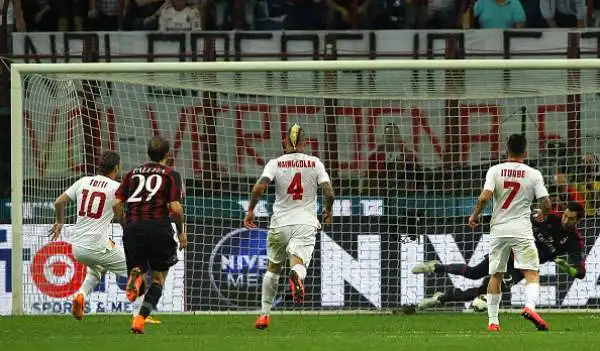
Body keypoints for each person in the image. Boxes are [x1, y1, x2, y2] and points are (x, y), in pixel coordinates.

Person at [49, 151, 158, 324]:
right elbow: (120, 207)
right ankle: (139, 316)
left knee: (97, 269)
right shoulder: (116, 187)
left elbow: (58, 202)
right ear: (117, 167)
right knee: (138, 269)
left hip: (77, 248)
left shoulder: (83, 181)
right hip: (96, 246)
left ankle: (81, 296)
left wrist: (60, 222)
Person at [243, 124, 335, 330]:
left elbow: (259, 187)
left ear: (284, 143)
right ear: (306, 143)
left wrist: (250, 210)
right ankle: (297, 276)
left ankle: (264, 316)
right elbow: (329, 192)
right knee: (298, 263)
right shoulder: (315, 163)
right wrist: (328, 210)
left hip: (279, 224)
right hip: (305, 222)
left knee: (273, 269)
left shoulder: (275, 163)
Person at [414, 201, 586, 310]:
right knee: (473, 273)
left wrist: (568, 268)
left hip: (522, 267)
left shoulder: (574, 242)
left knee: (485, 291)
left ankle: (441, 298)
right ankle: (436, 266)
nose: (565, 220)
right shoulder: (548, 218)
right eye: (565, 215)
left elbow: (580, 273)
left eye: (570, 219)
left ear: (578, 221)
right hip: (508, 251)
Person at [467, 134, 552, 332]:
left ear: (507, 150)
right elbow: (546, 203)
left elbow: (484, 197)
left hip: (499, 229)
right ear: (525, 152)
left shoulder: (495, 170)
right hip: (521, 230)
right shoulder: (533, 174)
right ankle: (529, 308)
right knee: (531, 272)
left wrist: (475, 216)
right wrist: (542, 212)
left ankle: (493, 322)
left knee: (496, 274)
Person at [113, 136, 187, 334]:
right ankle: (140, 319)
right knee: (158, 279)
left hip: (133, 229)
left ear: (147, 153)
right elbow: (176, 208)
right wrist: (181, 232)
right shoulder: (171, 175)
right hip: (158, 229)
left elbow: (116, 204)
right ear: (167, 155)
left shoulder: (131, 174)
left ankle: (136, 277)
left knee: (139, 269)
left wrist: (125, 224)